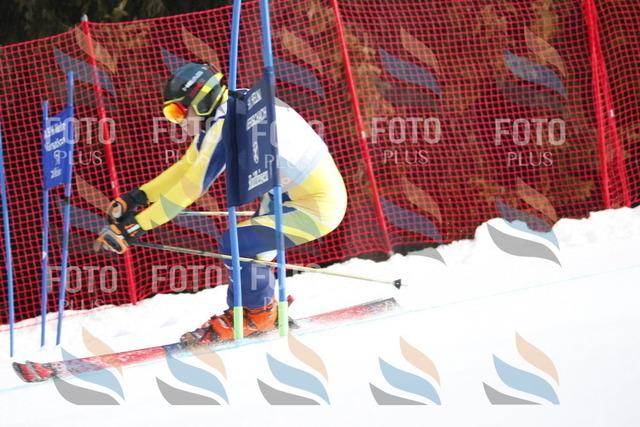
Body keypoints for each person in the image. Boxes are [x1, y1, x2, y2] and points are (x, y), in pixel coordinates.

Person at [94, 62, 347, 343]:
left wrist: (137, 226)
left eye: (178, 111)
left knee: (237, 244)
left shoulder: (226, 122)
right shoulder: (232, 107)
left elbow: (191, 187)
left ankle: (257, 315)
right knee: (249, 253)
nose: (177, 121)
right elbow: (187, 165)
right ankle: (259, 312)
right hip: (287, 196)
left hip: (316, 207)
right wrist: (137, 198)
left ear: (200, 101)